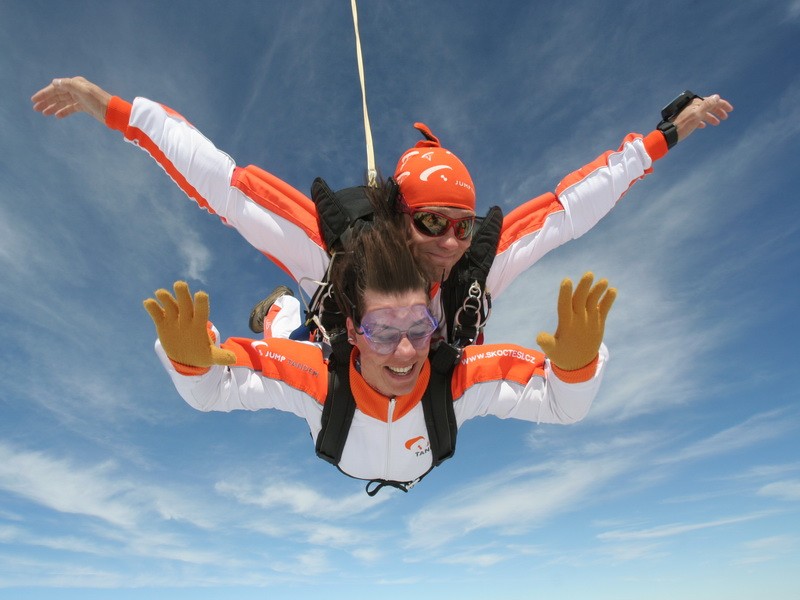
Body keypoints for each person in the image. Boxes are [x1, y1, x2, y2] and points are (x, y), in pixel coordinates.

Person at [32, 76, 730, 343]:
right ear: (400, 217)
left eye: (462, 224)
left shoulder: (476, 266)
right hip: (326, 351)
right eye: (434, 223)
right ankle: (276, 309)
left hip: (426, 390)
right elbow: (222, 180)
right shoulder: (333, 249)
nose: (453, 242)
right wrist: (115, 110)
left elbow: (575, 205)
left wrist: (668, 132)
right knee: (288, 332)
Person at [144, 192, 616, 494]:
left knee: (297, 341)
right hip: (323, 375)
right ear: (352, 333)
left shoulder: (461, 377)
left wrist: (576, 368)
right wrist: (190, 363)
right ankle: (281, 305)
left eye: (418, 328)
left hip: (362, 454)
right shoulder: (314, 377)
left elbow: (561, 406)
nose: (407, 351)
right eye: (383, 332)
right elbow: (216, 391)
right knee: (288, 335)